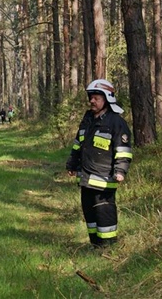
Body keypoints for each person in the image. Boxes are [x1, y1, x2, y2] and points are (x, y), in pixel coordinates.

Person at [66, 79, 133, 248]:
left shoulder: (116, 122)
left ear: (107, 99)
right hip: (85, 178)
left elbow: (123, 150)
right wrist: (72, 164)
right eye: (91, 97)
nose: (92, 101)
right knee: (89, 213)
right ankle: (95, 245)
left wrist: (120, 171)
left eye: (96, 98)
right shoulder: (87, 120)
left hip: (104, 180)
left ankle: (108, 246)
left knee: (104, 213)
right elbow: (78, 144)